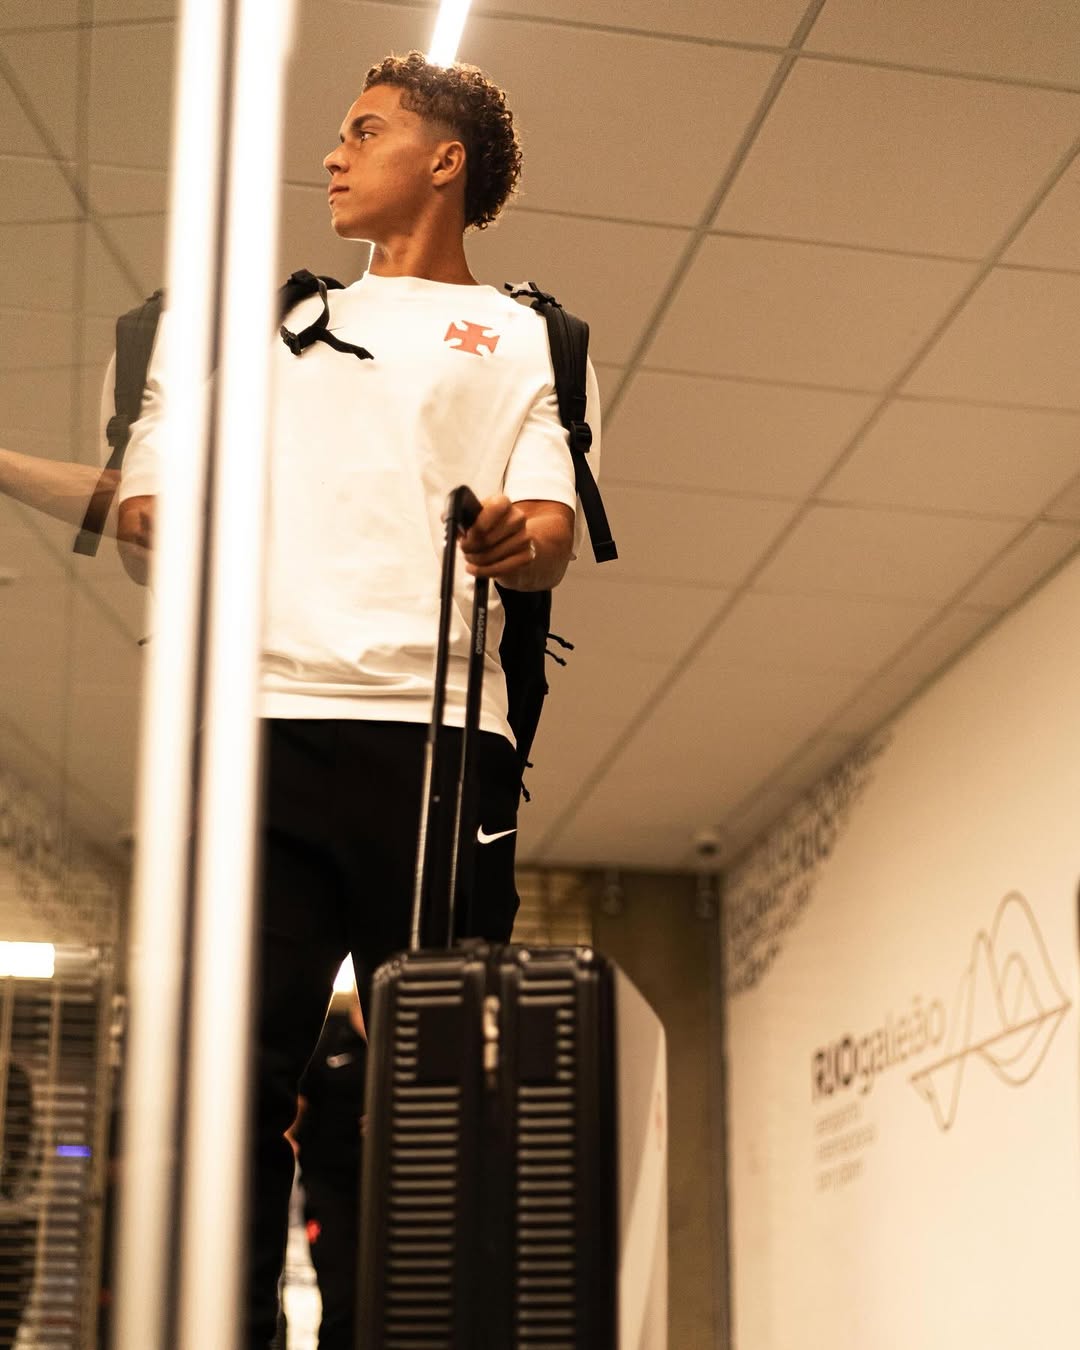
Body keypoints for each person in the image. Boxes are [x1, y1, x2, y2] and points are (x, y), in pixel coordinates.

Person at [116, 50, 600, 1348]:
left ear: (444, 161)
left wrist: (512, 538)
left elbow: (552, 530)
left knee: (446, 1086)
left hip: (435, 745)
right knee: (222, 1078)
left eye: (365, 130)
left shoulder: (527, 337)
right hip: (257, 731)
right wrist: (149, 500)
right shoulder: (260, 329)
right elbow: (150, 492)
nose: (333, 155)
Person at [286, 993, 367, 1350]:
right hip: (331, 1190)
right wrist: (287, 1139)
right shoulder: (328, 1041)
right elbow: (295, 1110)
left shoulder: (399, 1042)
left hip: (389, 1193)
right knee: (341, 1302)